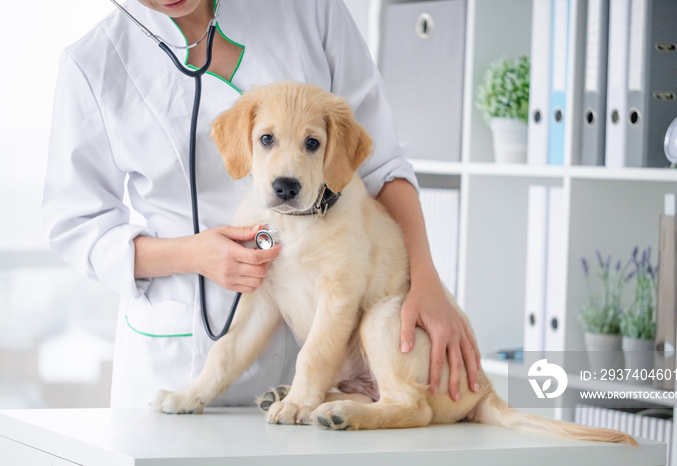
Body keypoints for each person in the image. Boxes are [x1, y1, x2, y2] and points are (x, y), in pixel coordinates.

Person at [42, 0, 480, 409]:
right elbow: (77, 225)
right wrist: (193, 254)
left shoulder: (308, 9)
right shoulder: (93, 63)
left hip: (322, 366)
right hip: (181, 353)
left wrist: (426, 282)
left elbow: (379, 164)